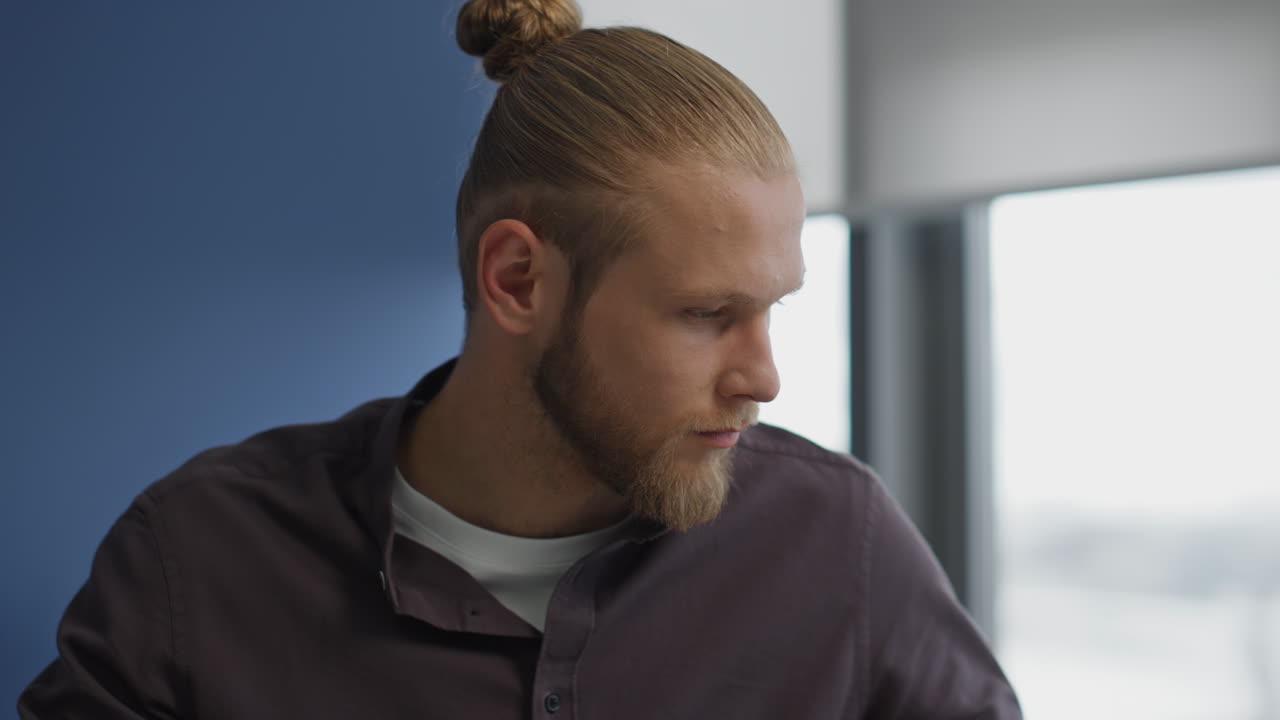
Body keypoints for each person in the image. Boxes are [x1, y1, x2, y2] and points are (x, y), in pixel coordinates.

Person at [18, 0, 1022, 717]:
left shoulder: (835, 545)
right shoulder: (196, 563)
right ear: (515, 280)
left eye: (769, 310)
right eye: (706, 312)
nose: (761, 376)